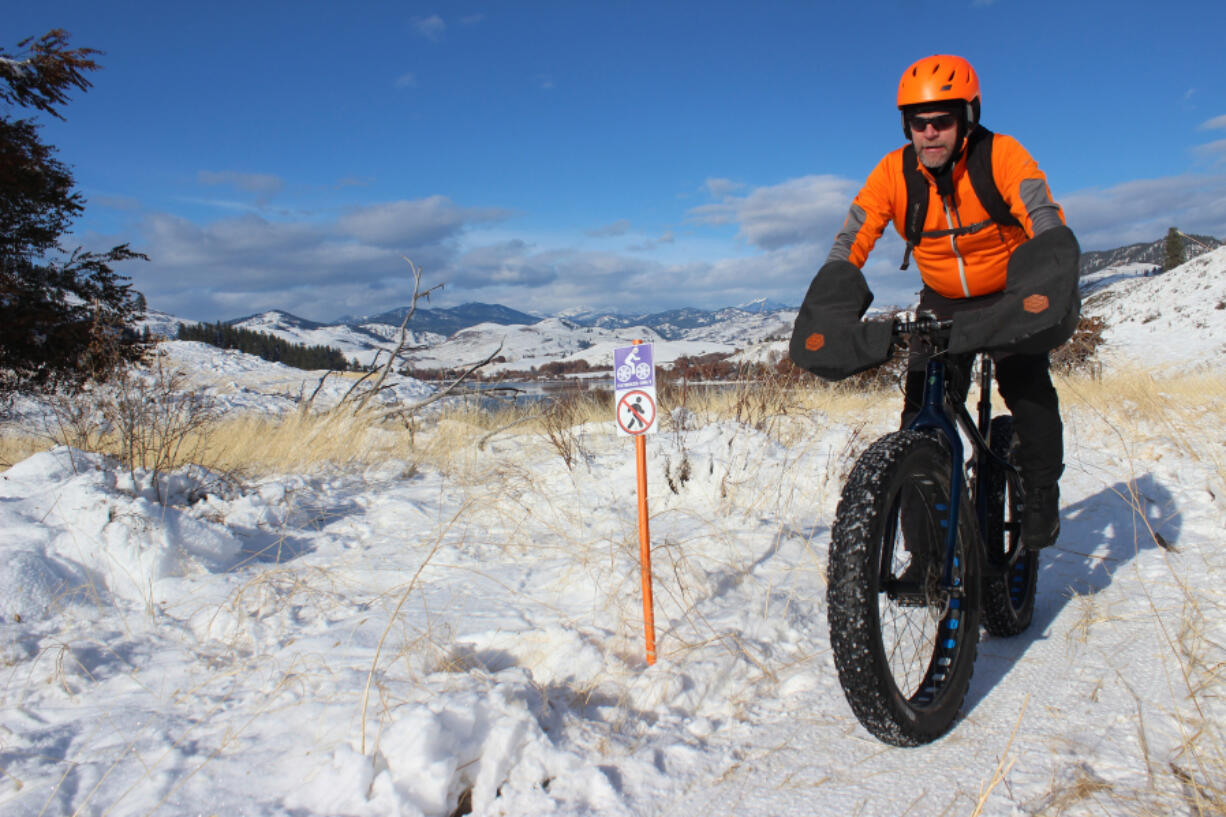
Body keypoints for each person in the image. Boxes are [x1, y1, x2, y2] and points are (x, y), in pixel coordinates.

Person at [793, 54, 1081, 550]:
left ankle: (1040, 495)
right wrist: (831, 300)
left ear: (968, 117)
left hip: (1008, 293)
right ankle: (925, 548)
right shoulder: (893, 173)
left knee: (1028, 390)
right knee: (921, 416)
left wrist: (1048, 276)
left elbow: (1042, 213)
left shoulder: (1003, 156)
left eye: (942, 121)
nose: (929, 134)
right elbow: (853, 238)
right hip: (943, 299)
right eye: (918, 123)